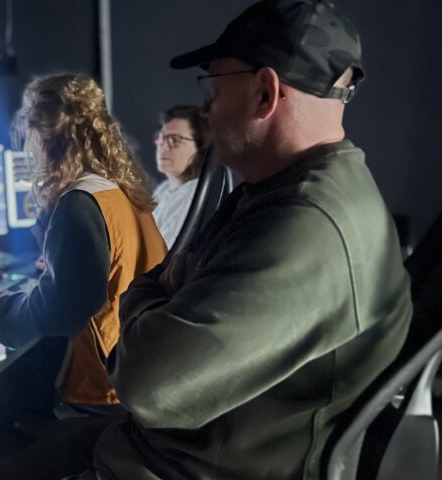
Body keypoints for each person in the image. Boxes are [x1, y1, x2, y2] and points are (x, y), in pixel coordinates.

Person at [75, 1, 413, 479]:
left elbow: (146, 384)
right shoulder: (276, 189)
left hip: (173, 466)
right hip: (168, 450)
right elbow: (169, 281)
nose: (207, 108)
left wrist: (141, 297)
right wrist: (162, 297)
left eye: (213, 88)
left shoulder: (306, 224)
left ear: (264, 92)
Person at [0, 73, 167, 413]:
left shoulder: (78, 204)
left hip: (100, 388)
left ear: (43, 136)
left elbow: (51, 316)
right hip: (136, 367)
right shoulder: (117, 190)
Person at [151, 105, 211, 247]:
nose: (163, 146)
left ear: (200, 147)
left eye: (174, 140)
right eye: (161, 137)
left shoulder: (193, 195)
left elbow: (163, 255)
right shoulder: (163, 189)